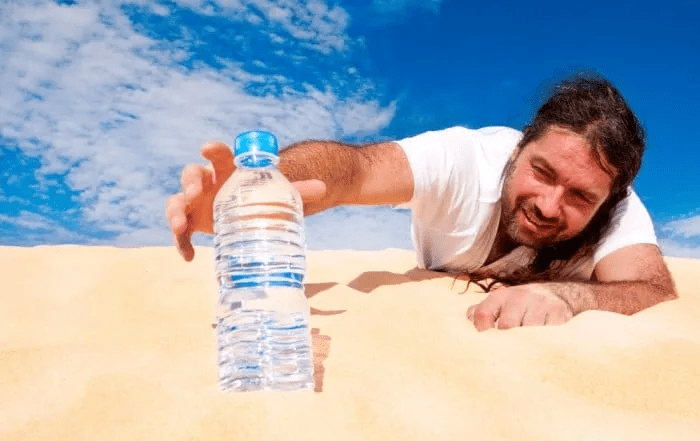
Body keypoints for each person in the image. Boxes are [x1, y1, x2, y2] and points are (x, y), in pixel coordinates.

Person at [166, 75, 677, 331]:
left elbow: (651, 289)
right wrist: (262, 186)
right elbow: (354, 170)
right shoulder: (466, 159)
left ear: (607, 201)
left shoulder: (618, 207)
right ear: (519, 148)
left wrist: (571, 298)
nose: (548, 203)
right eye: (541, 172)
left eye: (580, 196)